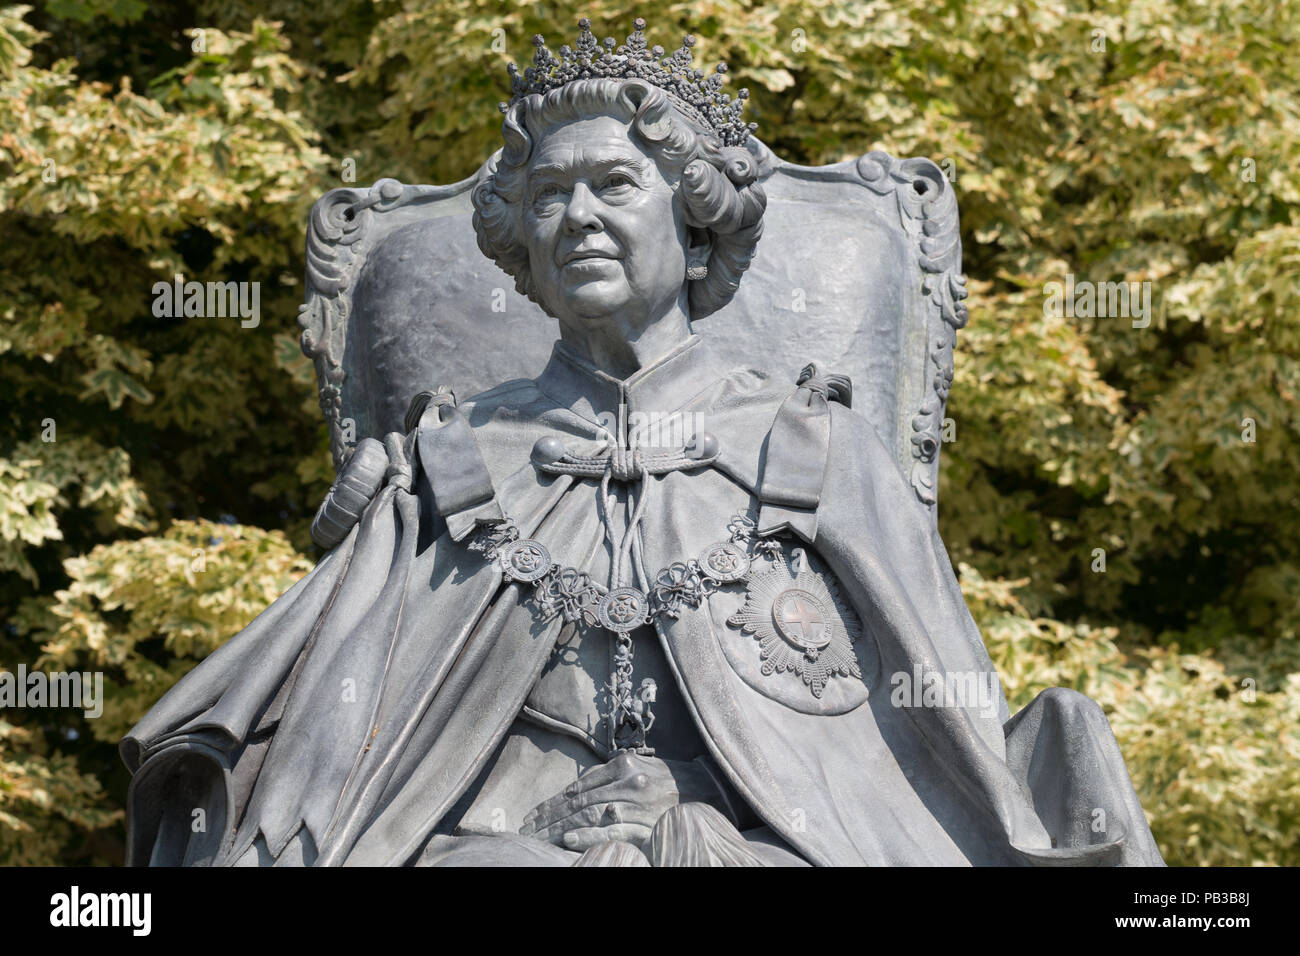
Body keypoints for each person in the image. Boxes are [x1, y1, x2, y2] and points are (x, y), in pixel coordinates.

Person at [122, 18, 1164, 867]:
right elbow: (338, 756)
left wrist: (690, 822)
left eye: (613, 186)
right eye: (547, 198)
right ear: (520, 243)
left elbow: (921, 746)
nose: (575, 217)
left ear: (695, 217)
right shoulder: (448, 462)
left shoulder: (821, 448)